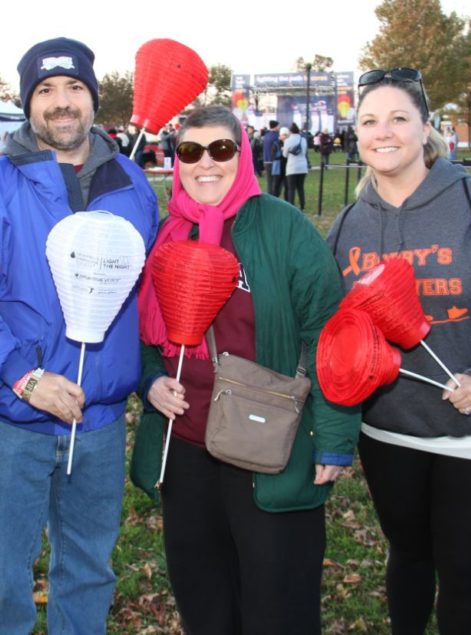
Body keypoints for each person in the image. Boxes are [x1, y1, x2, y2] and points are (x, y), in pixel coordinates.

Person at [0, 37, 159, 633]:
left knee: (88, 569)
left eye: (74, 88)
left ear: (93, 98)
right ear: (28, 104)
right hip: (17, 418)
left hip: (101, 419)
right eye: (46, 91)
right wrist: (24, 377)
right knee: (6, 577)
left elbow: (149, 294)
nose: (62, 103)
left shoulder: (132, 184)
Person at [327, 68, 471, 635]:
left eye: (399, 118)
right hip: (390, 429)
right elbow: (334, 330)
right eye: (370, 121)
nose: (385, 133)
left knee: (460, 568)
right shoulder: (348, 226)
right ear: (356, 133)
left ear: (426, 128)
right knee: (406, 556)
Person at [136, 105, 360, 633]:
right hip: (186, 441)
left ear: (242, 156)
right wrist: (150, 381)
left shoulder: (283, 227)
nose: (205, 163)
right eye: (191, 152)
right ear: (176, 160)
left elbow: (329, 332)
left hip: (271, 442)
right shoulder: (167, 235)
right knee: (204, 598)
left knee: (276, 602)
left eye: (222, 149)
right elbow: (140, 329)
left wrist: (333, 433)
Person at [283, 122, 308, 209]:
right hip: (302, 166)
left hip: (292, 167)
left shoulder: (288, 141)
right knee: (300, 187)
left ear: (290, 131)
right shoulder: (303, 140)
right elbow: (304, 152)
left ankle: (291, 205)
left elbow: (285, 155)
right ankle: (302, 204)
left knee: (291, 188)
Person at [261, 119, 281, 195]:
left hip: (266, 160)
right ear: (275, 126)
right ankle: (274, 195)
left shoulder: (266, 135)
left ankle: (269, 194)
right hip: (274, 160)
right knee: (275, 181)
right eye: (278, 126)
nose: (279, 128)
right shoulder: (276, 136)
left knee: (269, 180)